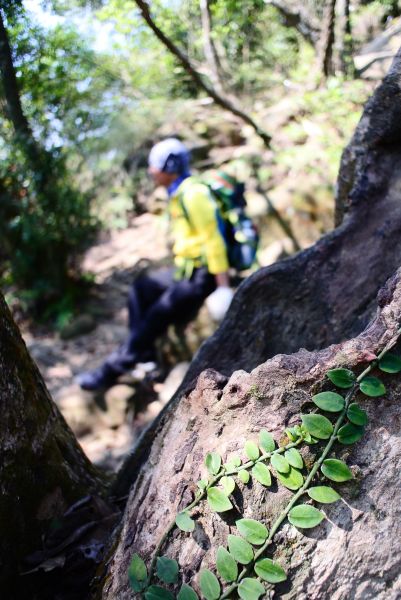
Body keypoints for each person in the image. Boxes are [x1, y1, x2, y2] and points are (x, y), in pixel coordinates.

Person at [77, 138, 234, 391]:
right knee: (141, 288)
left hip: (202, 275)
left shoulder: (193, 193)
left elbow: (213, 239)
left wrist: (223, 287)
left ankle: (112, 370)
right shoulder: (178, 192)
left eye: (154, 165)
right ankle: (146, 357)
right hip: (186, 269)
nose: (151, 170)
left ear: (169, 167)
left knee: (155, 316)